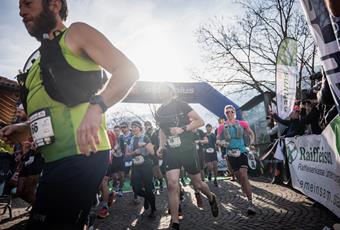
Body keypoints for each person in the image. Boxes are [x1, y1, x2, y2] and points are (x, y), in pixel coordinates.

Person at [0, 0, 139, 228]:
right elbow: (54, 107)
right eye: (19, 6)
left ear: (54, 4)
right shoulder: (37, 62)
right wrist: (24, 129)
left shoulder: (75, 33)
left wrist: (97, 107)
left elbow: (128, 71)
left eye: (27, 3)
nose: (21, 12)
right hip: (53, 160)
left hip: (81, 155)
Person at [156, 83, 218, 230]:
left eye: (163, 88)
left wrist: (182, 129)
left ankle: (211, 197)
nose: (160, 91)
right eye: (159, 90)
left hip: (187, 148)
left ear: (171, 91)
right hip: (171, 150)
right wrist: (160, 145)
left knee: (197, 184)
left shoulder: (181, 105)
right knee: (172, 184)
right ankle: (175, 222)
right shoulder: (160, 110)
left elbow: (200, 121)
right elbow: (162, 130)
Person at [216, 105, 256, 214]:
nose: (229, 114)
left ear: (234, 112)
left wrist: (251, 143)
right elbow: (217, 140)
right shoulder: (221, 126)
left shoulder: (242, 123)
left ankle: (250, 203)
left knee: (243, 174)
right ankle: (243, 185)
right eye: (227, 112)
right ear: (225, 114)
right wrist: (221, 143)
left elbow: (251, 133)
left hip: (242, 151)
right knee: (238, 176)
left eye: (231, 111)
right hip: (230, 154)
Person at [126, 120, 157, 218]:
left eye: (135, 126)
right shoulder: (130, 139)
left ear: (140, 128)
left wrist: (144, 145)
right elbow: (127, 154)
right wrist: (134, 153)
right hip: (135, 165)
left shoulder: (145, 137)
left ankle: (153, 209)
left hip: (146, 164)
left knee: (148, 187)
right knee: (136, 188)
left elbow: (152, 152)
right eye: (132, 127)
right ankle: (147, 197)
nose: (134, 128)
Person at [145, 121, 164, 192]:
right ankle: (155, 185)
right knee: (152, 171)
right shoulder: (145, 134)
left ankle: (161, 184)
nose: (147, 127)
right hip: (148, 155)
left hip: (155, 154)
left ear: (151, 125)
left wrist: (153, 147)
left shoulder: (155, 133)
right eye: (145, 125)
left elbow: (157, 143)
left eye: (148, 125)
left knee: (157, 170)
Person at [111, 125, 125, 197]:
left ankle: (120, 189)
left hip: (121, 158)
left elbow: (121, 145)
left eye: (117, 130)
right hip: (114, 159)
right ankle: (114, 188)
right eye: (115, 130)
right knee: (115, 176)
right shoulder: (111, 138)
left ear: (120, 131)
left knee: (122, 176)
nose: (116, 132)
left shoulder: (122, 137)